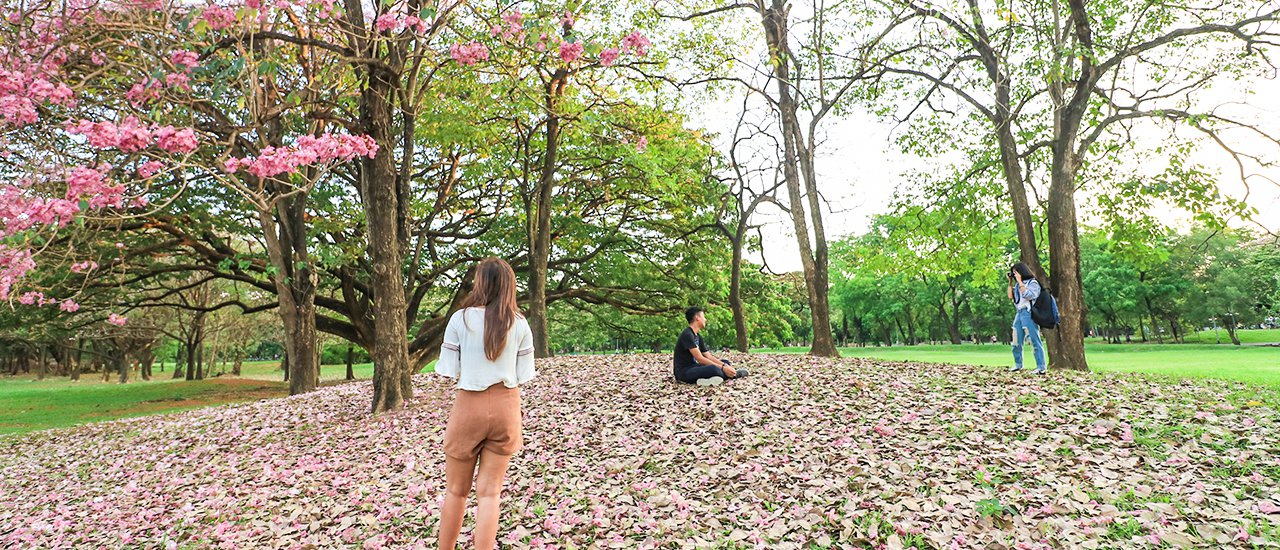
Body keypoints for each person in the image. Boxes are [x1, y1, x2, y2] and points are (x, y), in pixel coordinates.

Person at [435, 258, 536, 550]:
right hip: (507, 407)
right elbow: (524, 375)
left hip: (469, 404)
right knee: (490, 493)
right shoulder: (519, 323)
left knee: (456, 491)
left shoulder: (461, 318)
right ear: (509, 285)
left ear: (481, 282)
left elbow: (447, 370)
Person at [673, 307, 748, 386]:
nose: (705, 319)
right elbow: (700, 359)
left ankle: (706, 380)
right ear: (697, 318)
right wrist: (722, 368)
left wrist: (724, 365)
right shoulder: (687, 335)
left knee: (726, 362)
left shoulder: (697, 336)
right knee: (714, 369)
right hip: (684, 372)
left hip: (694, 367)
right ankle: (734, 375)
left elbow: (708, 356)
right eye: (703, 317)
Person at [1007, 262, 1047, 375]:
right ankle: (1018, 364)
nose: (1015, 275)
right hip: (1019, 314)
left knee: (1033, 339)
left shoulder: (1032, 283)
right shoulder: (1018, 286)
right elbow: (1011, 297)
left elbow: (1029, 295)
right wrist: (1010, 283)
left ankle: (1041, 367)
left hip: (1028, 313)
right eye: (1013, 273)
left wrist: (1020, 282)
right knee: (1016, 340)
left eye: (1016, 272)